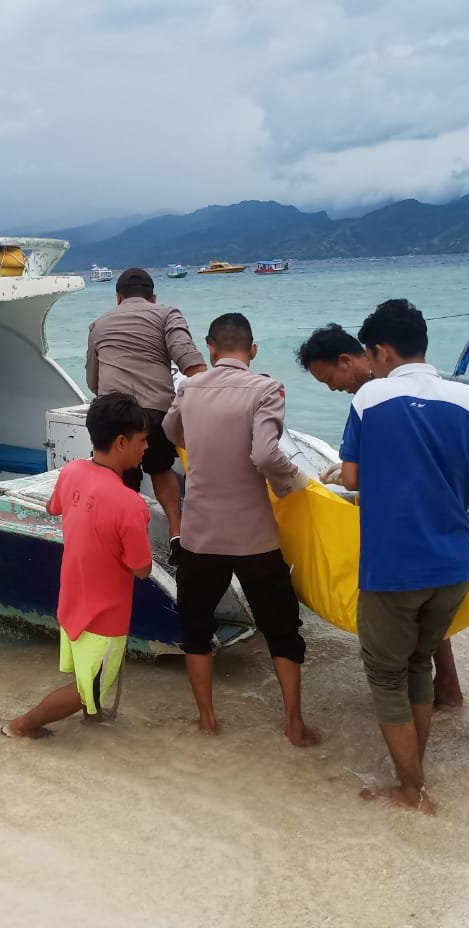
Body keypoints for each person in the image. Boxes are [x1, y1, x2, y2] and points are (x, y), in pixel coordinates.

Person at [338, 299, 469, 813]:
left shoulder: (369, 398)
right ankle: (416, 776)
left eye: (372, 353)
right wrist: (467, 470)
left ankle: (412, 789)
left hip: (392, 569)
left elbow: (351, 479)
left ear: (382, 350)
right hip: (451, 567)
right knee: (417, 666)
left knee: (387, 675)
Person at [162, 313, 317, 743]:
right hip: (253, 536)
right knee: (282, 628)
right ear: (252, 350)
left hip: (200, 534)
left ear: (210, 348)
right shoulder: (266, 389)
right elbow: (266, 455)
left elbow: (170, 429)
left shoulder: (189, 388)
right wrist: (292, 482)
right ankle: (293, 724)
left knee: (195, 625)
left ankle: (207, 720)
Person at [296, 322, 466, 708]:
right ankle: (447, 687)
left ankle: (427, 691)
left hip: (419, 511)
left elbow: (400, 459)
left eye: (330, 379)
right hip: (446, 506)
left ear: (347, 359)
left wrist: (353, 475)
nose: (333, 388)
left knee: (412, 599)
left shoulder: (377, 393)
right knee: (431, 595)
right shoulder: (411, 384)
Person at [3, 393, 154, 739]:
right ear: (121, 442)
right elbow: (142, 569)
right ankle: (22, 726)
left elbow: (54, 508)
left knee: (89, 675)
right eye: (142, 440)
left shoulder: (71, 471)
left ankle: (94, 716)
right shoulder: (130, 505)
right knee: (87, 688)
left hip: (72, 600)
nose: (146, 447)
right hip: (104, 616)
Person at [87, 267, 206, 563]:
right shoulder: (167, 314)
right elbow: (192, 365)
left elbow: (92, 381)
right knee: (161, 469)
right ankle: (177, 533)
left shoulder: (98, 325)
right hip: (156, 413)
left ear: (118, 298)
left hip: (114, 414)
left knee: (119, 478)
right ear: (153, 297)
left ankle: (126, 540)